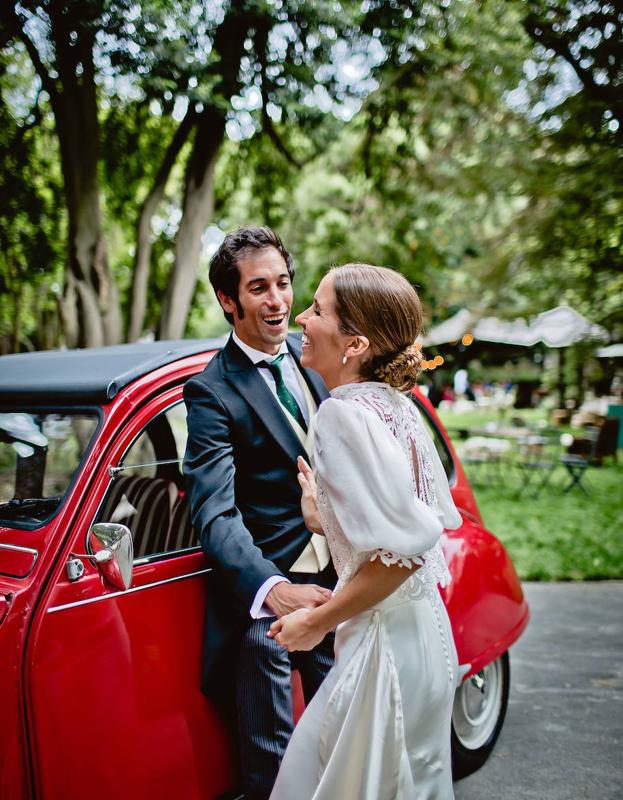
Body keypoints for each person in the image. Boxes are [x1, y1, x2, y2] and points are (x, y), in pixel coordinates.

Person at [268, 263, 463, 800]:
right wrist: (322, 515)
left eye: (319, 309)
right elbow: (399, 526)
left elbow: (402, 558)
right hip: (425, 638)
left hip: (383, 653)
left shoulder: (341, 415)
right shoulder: (396, 407)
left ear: (355, 343)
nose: (302, 318)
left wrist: (316, 622)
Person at [183, 226, 337, 800]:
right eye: (258, 288)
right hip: (275, 590)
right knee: (274, 760)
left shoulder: (312, 359)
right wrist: (274, 590)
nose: (277, 301)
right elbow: (216, 515)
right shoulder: (212, 392)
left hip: (341, 579)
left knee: (347, 732)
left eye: (283, 283)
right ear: (229, 300)